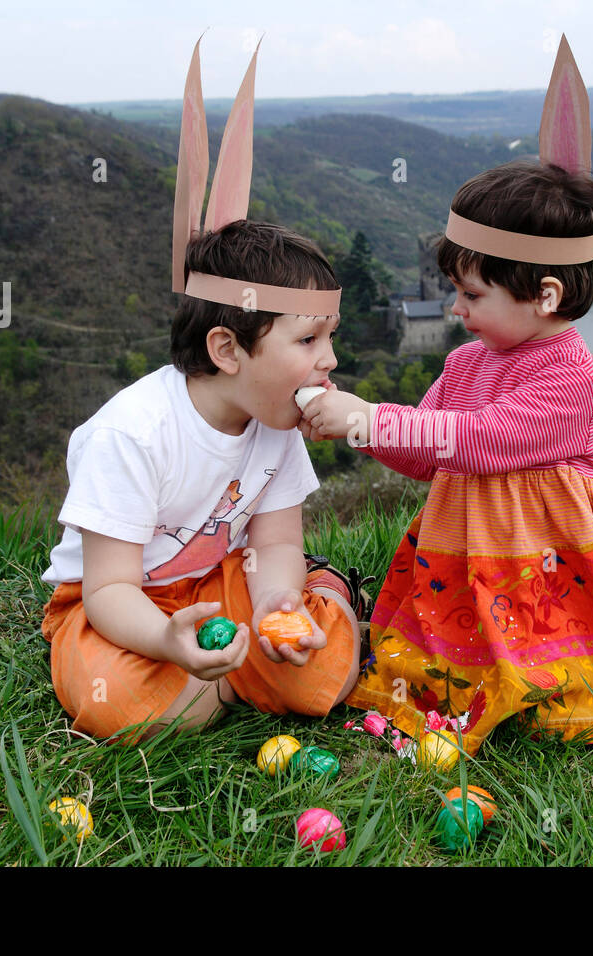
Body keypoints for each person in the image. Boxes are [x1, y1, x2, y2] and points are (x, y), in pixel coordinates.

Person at [300, 37, 593, 756]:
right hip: (465, 558)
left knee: (565, 674)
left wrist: (367, 414)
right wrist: (359, 426)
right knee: (440, 664)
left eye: (472, 293)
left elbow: (479, 444)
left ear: (545, 295)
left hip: (547, 569)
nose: (455, 308)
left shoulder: (573, 378)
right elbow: (426, 453)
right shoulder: (468, 363)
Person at [39, 39, 367, 744]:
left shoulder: (274, 421)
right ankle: (208, 678)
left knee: (321, 677)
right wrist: (166, 642)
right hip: (124, 605)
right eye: (308, 341)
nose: (329, 361)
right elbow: (109, 589)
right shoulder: (132, 433)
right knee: (123, 707)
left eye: (329, 338)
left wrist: (281, 605)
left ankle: (324, 599)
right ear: (227, 350)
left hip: (228, 582)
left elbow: (276, 541)